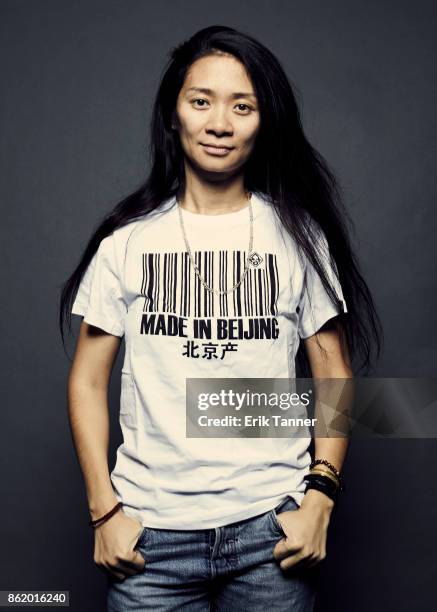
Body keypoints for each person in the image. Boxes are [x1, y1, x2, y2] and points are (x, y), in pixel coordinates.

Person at [60, 25, 382, 611]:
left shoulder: (297, 240)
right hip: (149, 540)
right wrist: (103, 510)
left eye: (243, 106)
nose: (219, 124)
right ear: (174, 113)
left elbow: (334, 372)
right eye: (200, 100)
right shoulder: (126, 245)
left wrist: (320, 500)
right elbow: (86, 381)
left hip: (270, 535)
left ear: (265, 123)